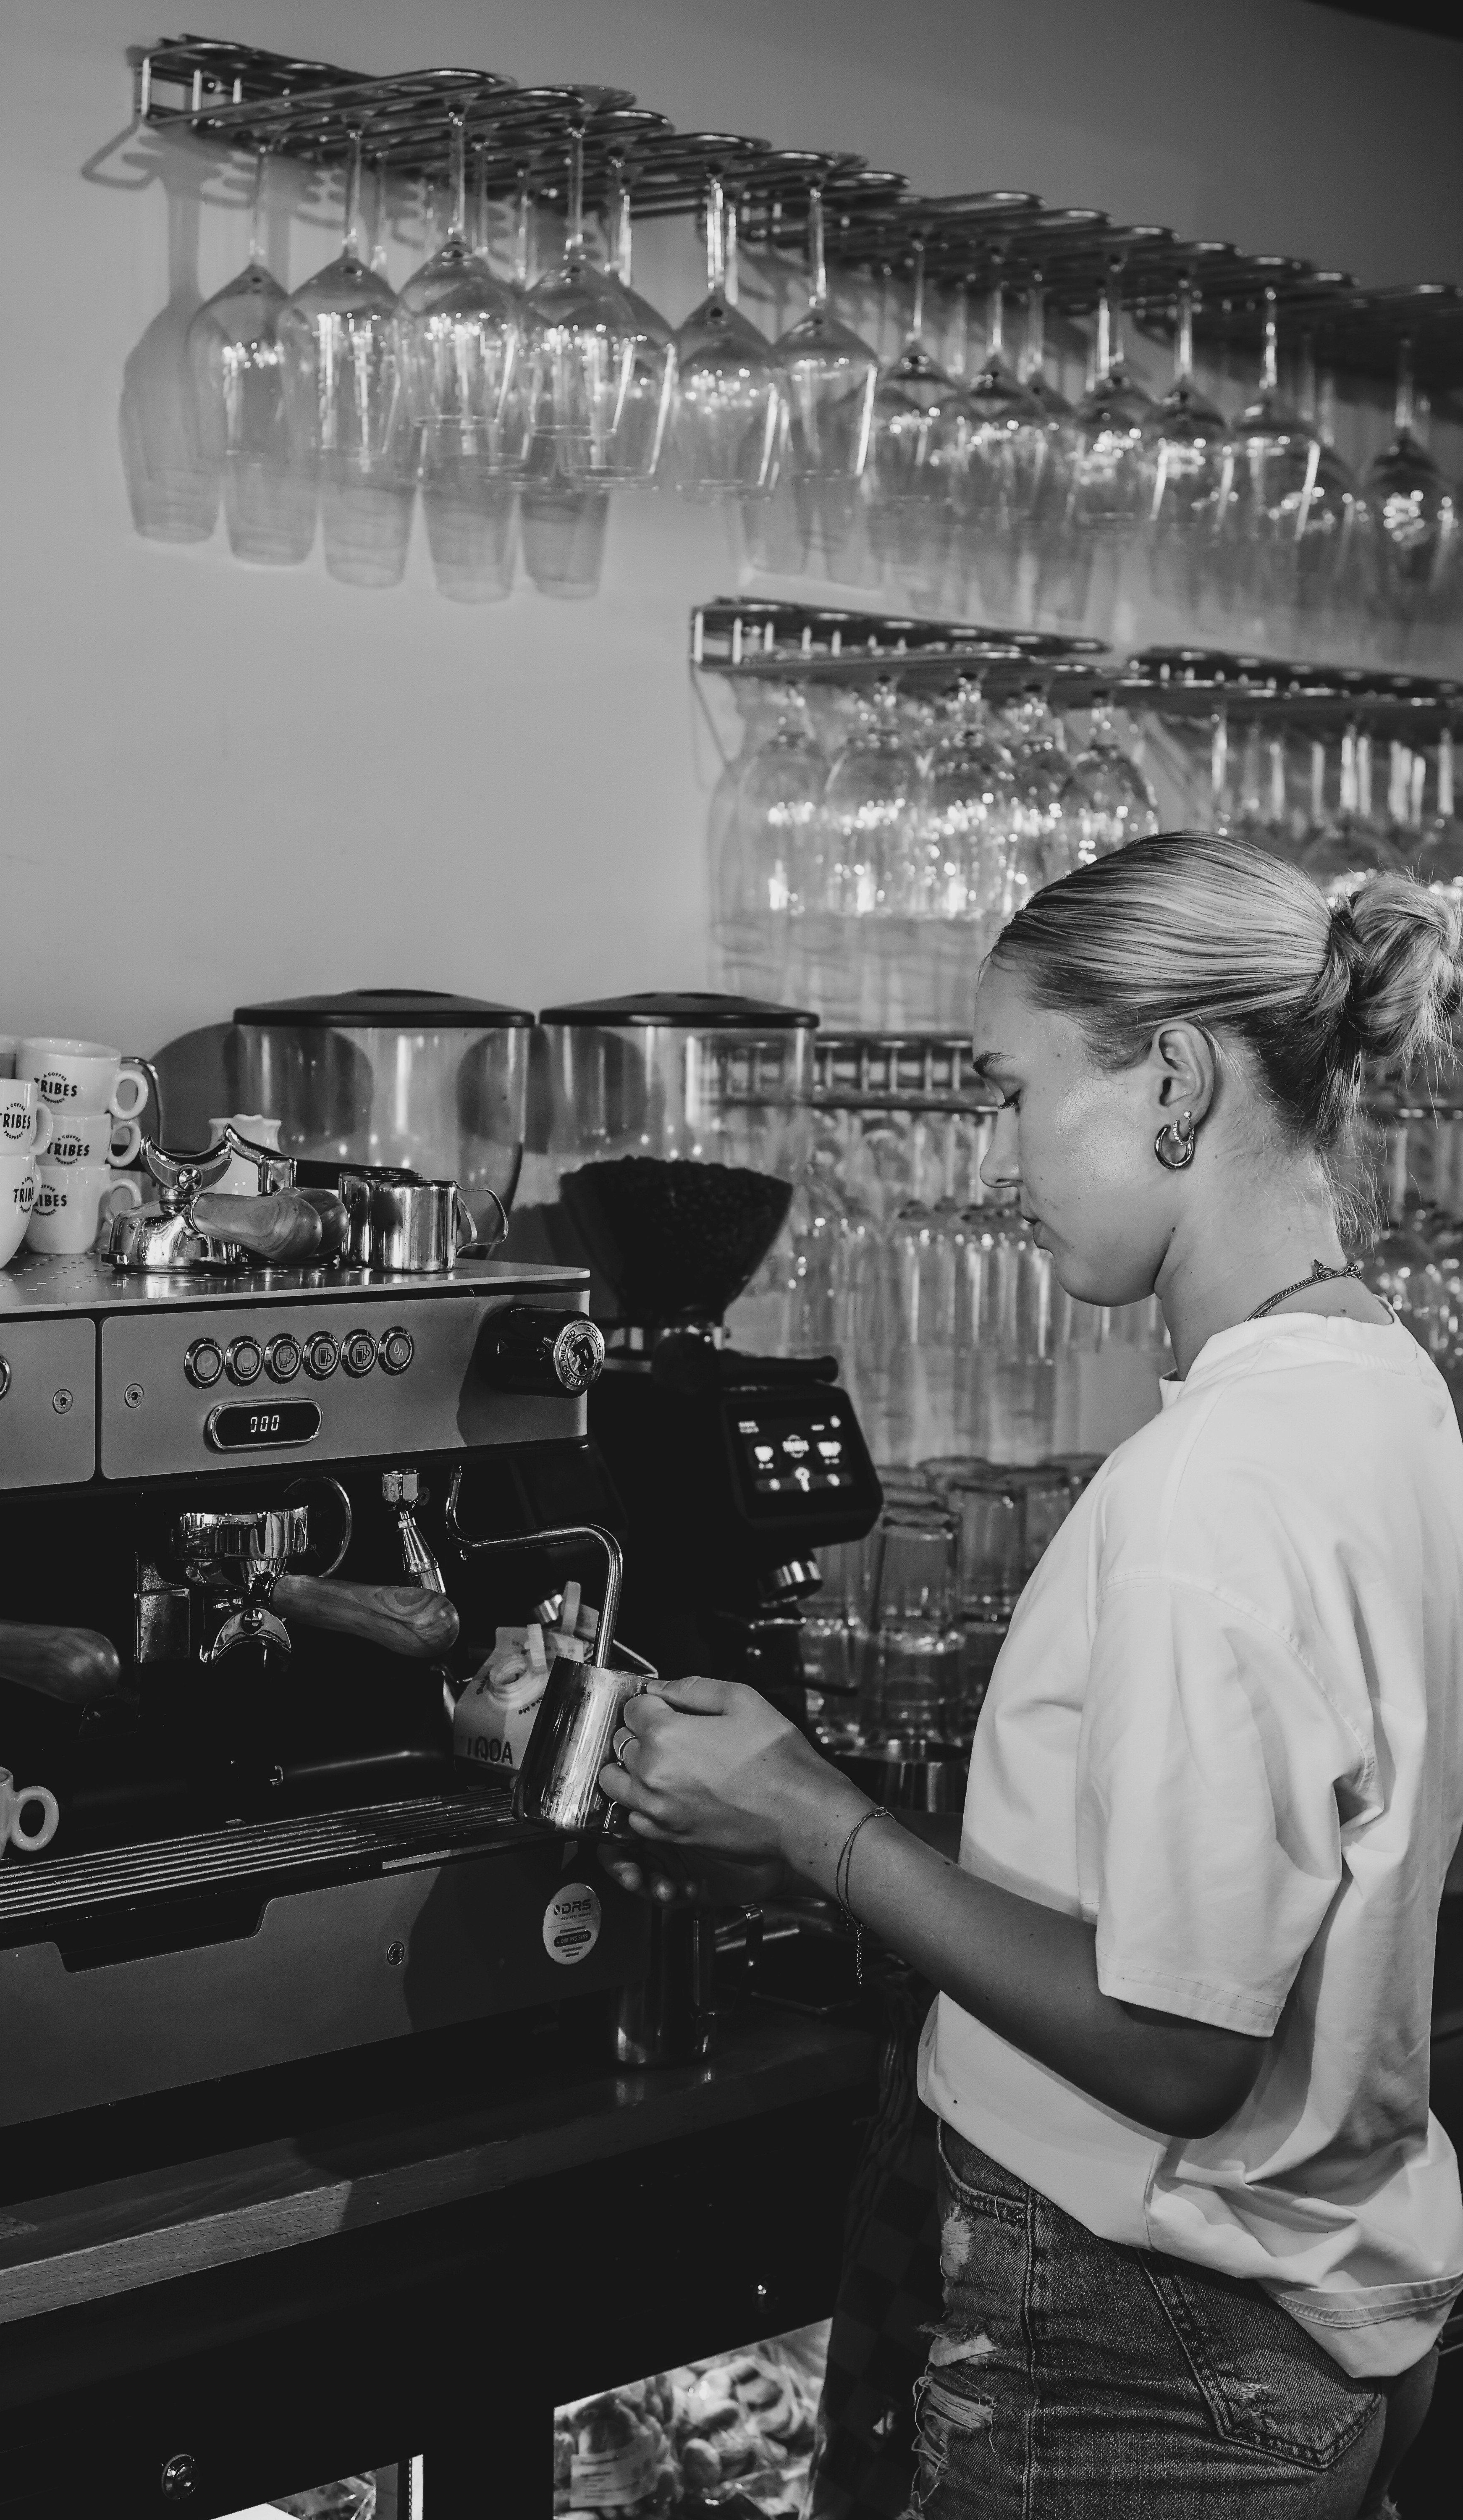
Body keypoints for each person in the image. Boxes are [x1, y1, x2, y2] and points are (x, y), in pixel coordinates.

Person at [599, 834, 1463, 2517]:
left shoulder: (1212, 1487)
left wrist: (800, 1814)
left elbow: (1174, 2047)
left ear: (1175, 1083)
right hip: (1307, 2306)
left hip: (1136, 2357)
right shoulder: (1383, 1390)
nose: (999, 1163)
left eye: (1013, 1093)